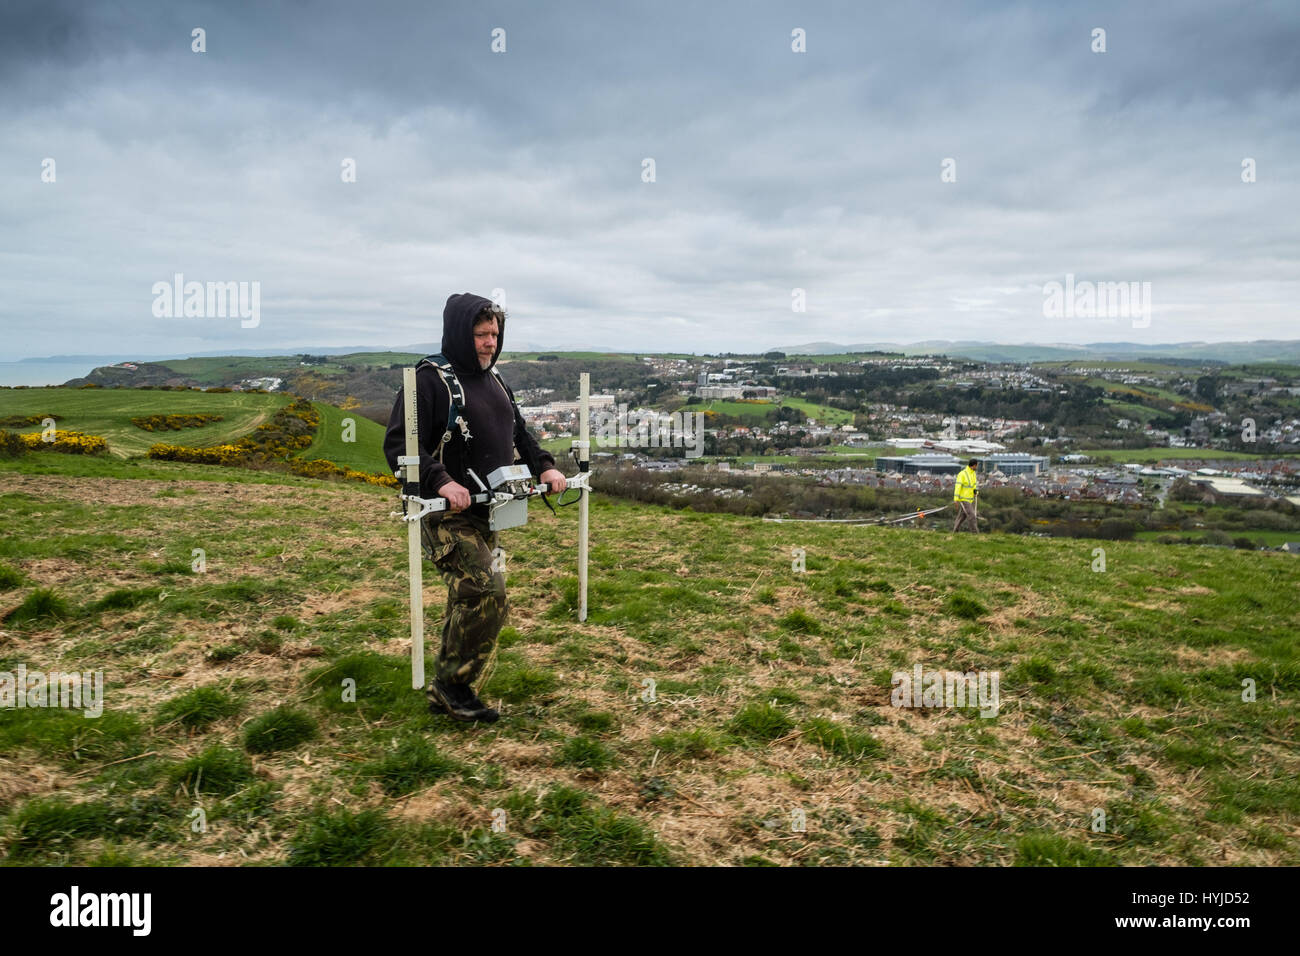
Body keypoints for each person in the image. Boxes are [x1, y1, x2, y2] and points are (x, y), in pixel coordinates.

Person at [383, 293, 567, 722]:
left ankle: (447, 684)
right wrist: (441, 480)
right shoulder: (427, 382)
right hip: (442, 511)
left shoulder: (497, 380)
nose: (490, 342)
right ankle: (453, 687)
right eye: (481, 334)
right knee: (487, 591)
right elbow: (397, 446)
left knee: (470, 594)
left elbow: (519, 433)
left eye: (495, 334)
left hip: (490, 507)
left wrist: (545, 467)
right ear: (460, 334)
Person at [952, 458, 979, 533]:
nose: (977, 467)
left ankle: (955, 532)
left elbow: (973, 485)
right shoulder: (962, 474)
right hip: (964, 499)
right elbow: (958, 487)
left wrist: (975, 491)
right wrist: (956, 499)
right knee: (972, 516)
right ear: (974, 465)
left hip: (970, 499)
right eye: (977, 465)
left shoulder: (973, 473)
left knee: (962, 516)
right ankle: (975, 534)